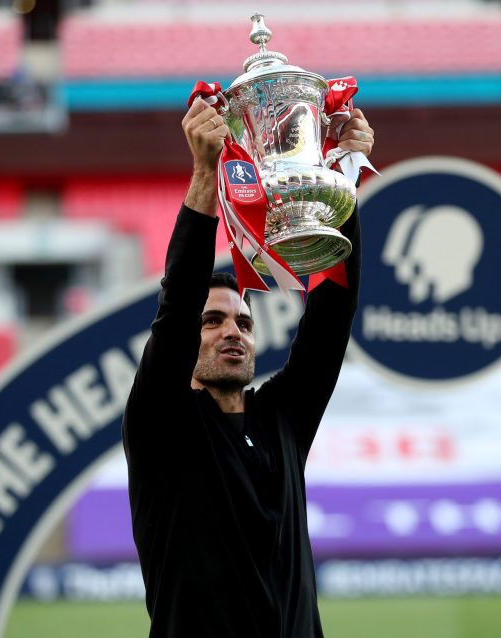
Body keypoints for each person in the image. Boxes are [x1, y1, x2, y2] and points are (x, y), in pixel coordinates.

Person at [122, 96, 375, 637]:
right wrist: (206, 176)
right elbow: (176, 306)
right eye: (211, 322)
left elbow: (333, 311)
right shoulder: (161, 422)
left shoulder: (281, 419)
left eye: (243, 322)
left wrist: (342, 176)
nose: (232, 331)